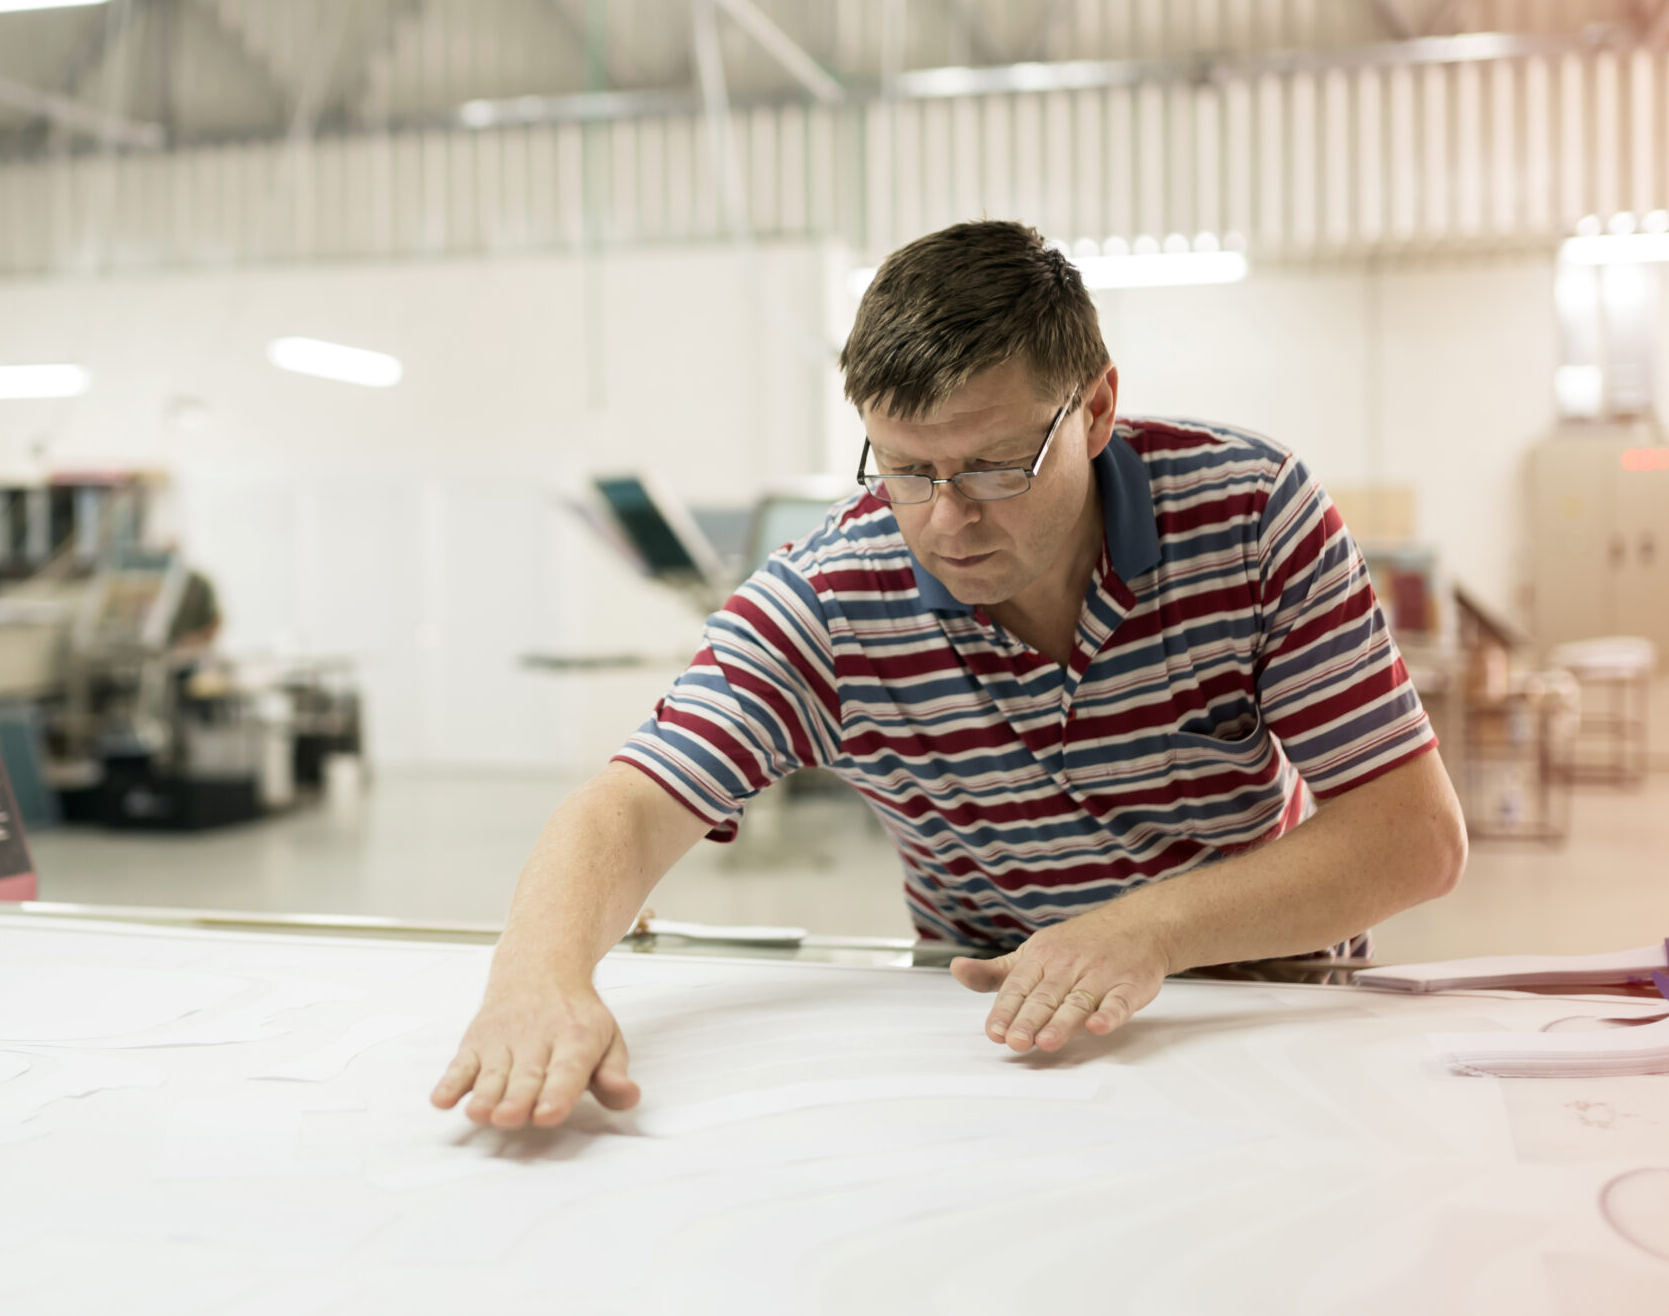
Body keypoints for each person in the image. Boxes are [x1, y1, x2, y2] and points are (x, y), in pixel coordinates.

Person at [432, 219, 1467, 1130]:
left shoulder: (1247, 517)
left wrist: (1149, 930)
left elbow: (1412, 836)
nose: (947, 519)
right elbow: (626, 808)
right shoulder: (831, 603)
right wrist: (536, 979)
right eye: (906, 469)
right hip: (1012, 1034)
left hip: (1267, 1002)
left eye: (993, 466)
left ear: (1097, 408)